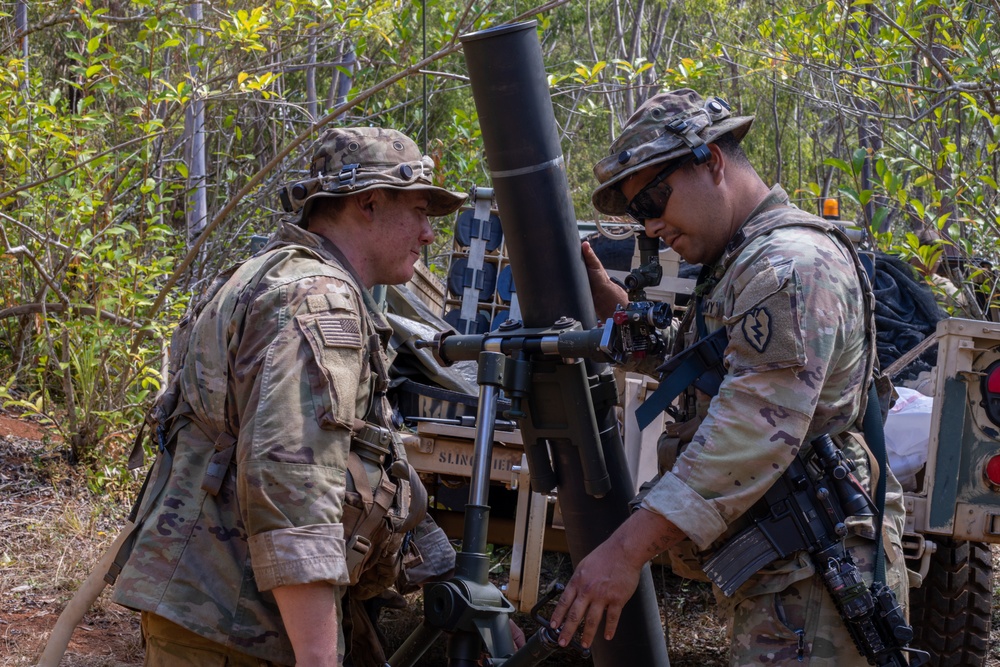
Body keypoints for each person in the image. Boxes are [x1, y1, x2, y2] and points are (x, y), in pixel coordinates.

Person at [550, 89, 910, 665]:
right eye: (638, 212)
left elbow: (749, 429)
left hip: (818, 577)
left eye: (654, 199)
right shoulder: (744, 263)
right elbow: (715, 368)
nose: (649, 226)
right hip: (788, 575)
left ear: (711, 161)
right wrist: (609, 306)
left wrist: (623, 552)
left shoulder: (787, 266)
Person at [110, 127, 466, 666]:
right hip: (238, 624)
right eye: (419, 211)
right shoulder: (319, 299)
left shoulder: (268, 275)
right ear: (369, 204)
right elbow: (292, 484)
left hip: (211, 610)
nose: (427, 234)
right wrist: (319, 658)